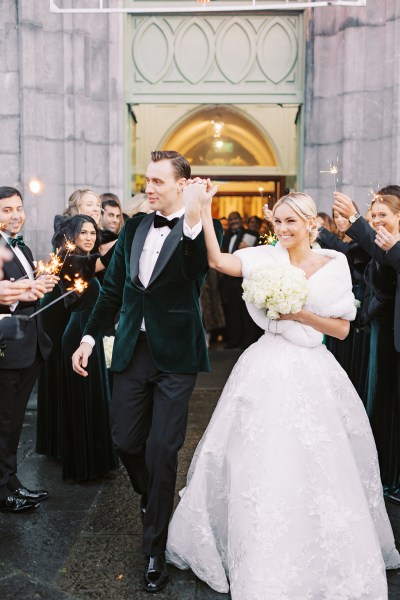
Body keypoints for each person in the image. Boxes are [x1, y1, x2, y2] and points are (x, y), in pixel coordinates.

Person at [166, 188, 400, 599]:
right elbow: (219, 261)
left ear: (312, 224)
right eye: (278, 221)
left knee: (318, 458)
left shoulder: (335, 262)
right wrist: (203, 212)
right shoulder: (263, 256)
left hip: (314, 368)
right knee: (259, 455)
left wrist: (300, 314)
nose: (283, 229)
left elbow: (344, 328)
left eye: (292, 221)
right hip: (266, 365)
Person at [71, 151, 223, 593]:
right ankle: (150, 496)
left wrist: (197, 217)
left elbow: (197, 271)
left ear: (181, 184)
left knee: (163, 449)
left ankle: (155, 546)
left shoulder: (193, 230)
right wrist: (88, 338)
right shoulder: (135, 227)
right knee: (125, 439)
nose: (149, 188)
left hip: (176, 355)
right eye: (146, 180)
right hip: (131, 351)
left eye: (157, 181)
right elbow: (113, 289)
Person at [333, 189, 400, 505]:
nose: (377, 222)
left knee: (387, 402)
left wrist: (356, 222)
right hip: (382, 331)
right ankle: (384, 473)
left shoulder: (391, 248)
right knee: (383, 403)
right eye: (373, 217)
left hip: (386, 330)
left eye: (382, 215)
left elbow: (387, 284)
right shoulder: (383, 247)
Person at [0, 187, 58, 514]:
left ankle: (10, 481)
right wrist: (26, 291)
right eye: (7, 210)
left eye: (18, 209)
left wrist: (39, 282)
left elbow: (26, 292)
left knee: (14, 422)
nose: (15, 216)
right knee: (3, 422)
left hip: (30, 346)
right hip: (6, 349)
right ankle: (2, 491)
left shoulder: (18, 245)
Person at [219, 211, 261, 349]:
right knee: (232, 311)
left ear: (241, 219)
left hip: (244, 278)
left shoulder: (250, 234)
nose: (232, 221)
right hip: (228, 280)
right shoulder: (225, 237)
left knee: (246, 311)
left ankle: (247, 341)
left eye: (235, 219)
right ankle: (233, 340)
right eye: (230, 219)